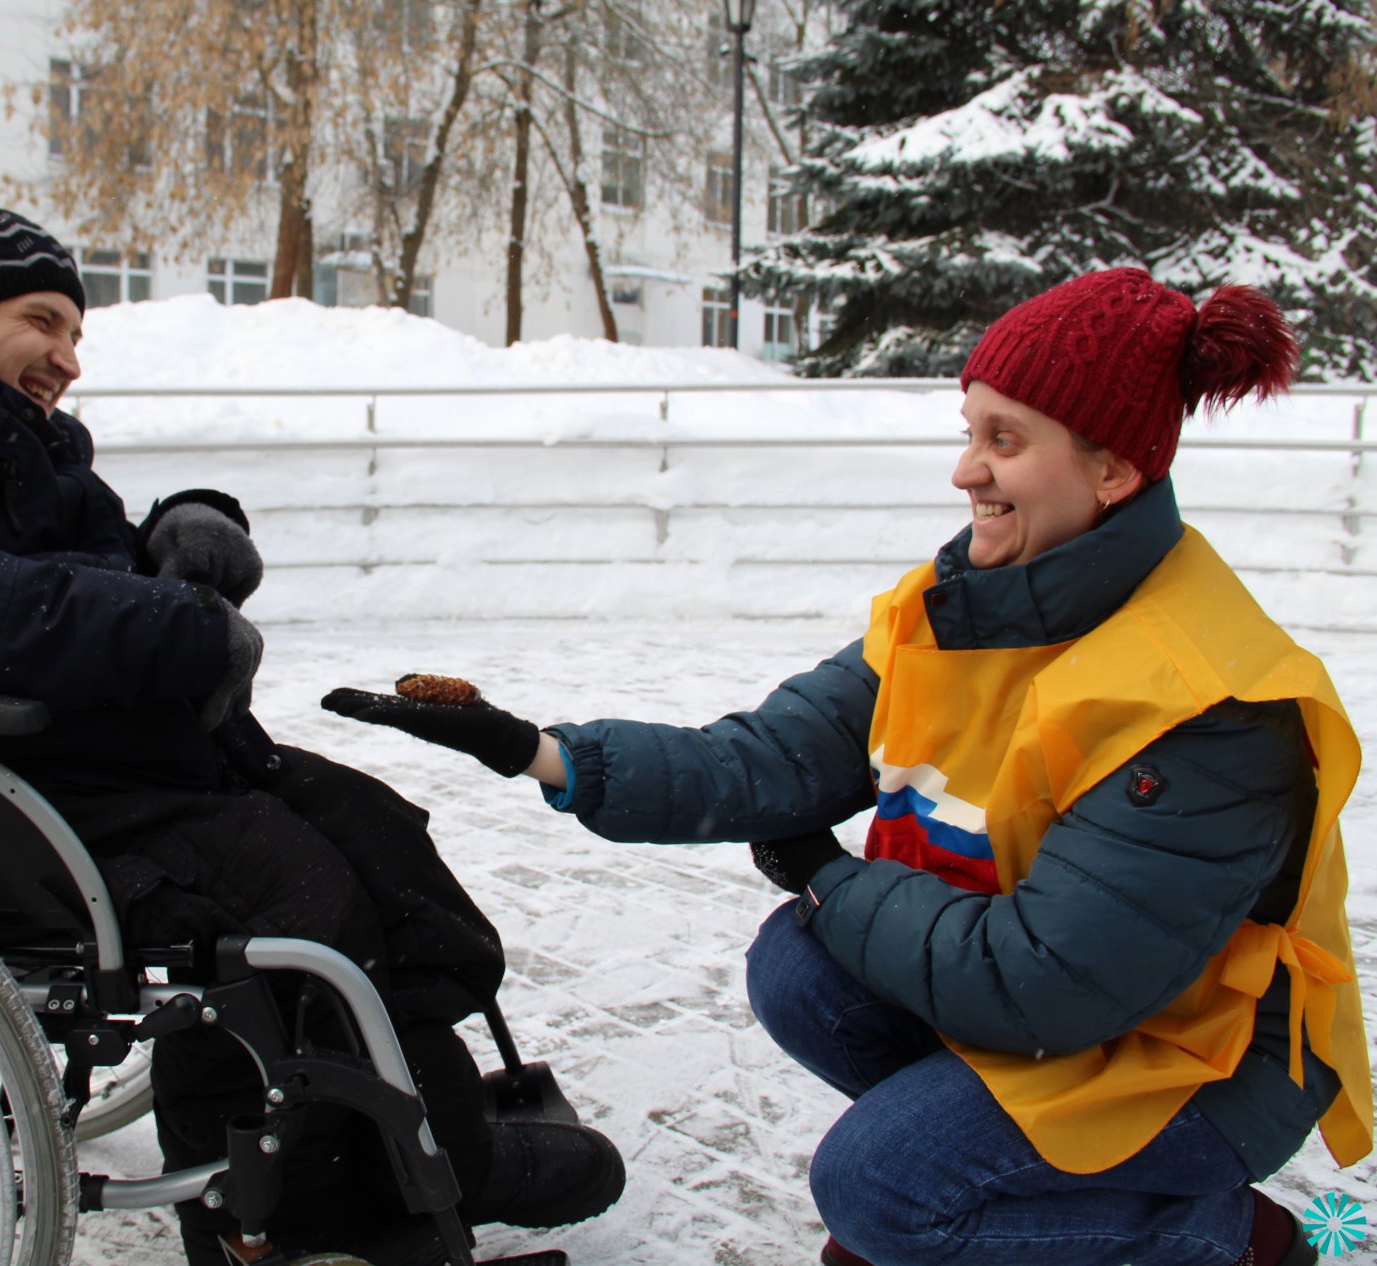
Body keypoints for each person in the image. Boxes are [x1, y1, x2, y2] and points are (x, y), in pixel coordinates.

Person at [325, 269, 1371, 1266]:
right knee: (801, 969)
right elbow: (778, 754)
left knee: (881, 1188)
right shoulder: (961, 607)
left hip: (1201, 1057)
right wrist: (539, 752)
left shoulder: (1205, 705)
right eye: (970, 433)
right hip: (1080, 1007)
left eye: (1004, 441)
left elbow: (1044, 983)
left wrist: (831, 878)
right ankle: (1020, 1204)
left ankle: (1226, 1238)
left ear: (1112, 468)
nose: (966, 471)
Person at [0, 198, 623, 1261]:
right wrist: (170, 630)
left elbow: (61, 567)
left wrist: (185, 527)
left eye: (75, 333)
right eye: (42, 321)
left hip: (59, 757)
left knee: (372, 834)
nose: (66, 357)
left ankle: (428, 1146)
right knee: (289, 902)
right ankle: (305, 1212)